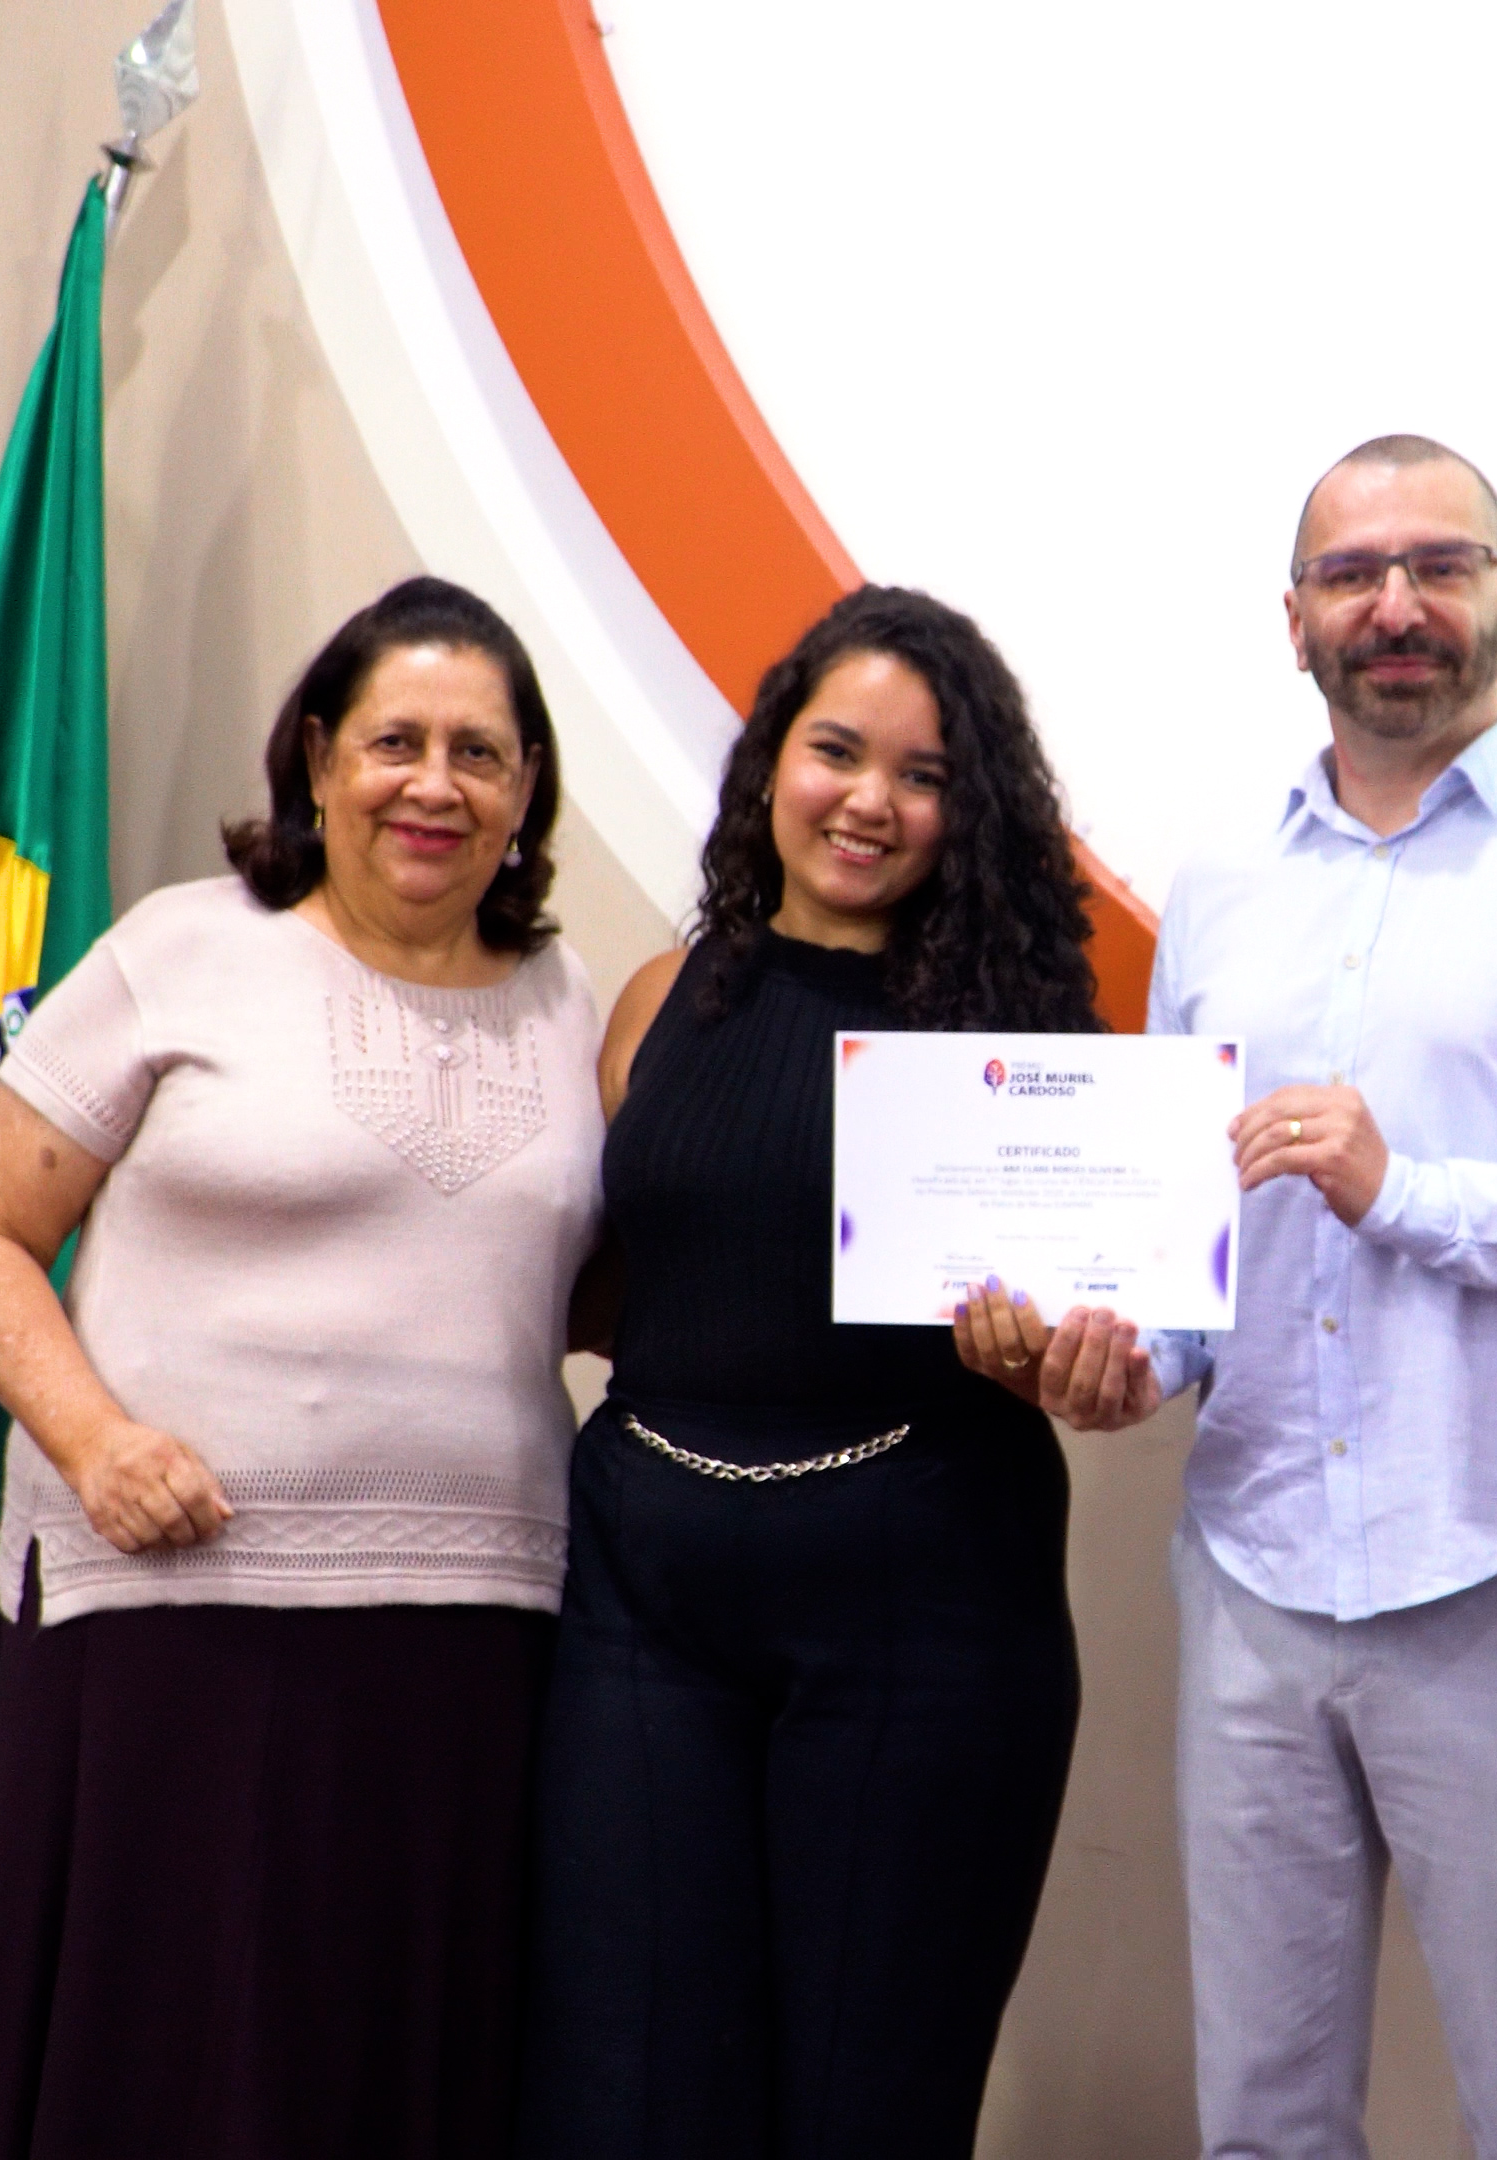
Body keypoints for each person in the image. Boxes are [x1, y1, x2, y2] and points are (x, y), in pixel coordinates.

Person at [1009, 437, 1497, 2159]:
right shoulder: (1222, 882)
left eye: (1439, 565)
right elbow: (1195, 1218)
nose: (1396, 605)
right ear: (1295, 621)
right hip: (1255, 1567)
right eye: (1352, 575)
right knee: (1262, 2122)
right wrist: (1137, 1355)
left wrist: (1402, 1191)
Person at [0, 575, 599, 2158]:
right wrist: (95, 1442)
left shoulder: (571, 1007)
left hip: (469, 1657)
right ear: (320, 758)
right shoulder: (180, 951)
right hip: (171, 1613)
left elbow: (605, 1289)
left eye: (479, 753)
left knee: (384, 2086)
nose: (434, 784)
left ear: (528, 791)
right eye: (396, 742)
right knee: (155, 2078)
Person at [515, 585, 1102, 2159]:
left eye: (924, 776)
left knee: (866, 2108)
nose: (870, 801)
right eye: (837, 751)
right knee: (624, 2095)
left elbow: (1093, 1344)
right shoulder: (660, 996)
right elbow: (619, 1278)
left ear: (970, 814)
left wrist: (1057, 1353)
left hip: (927, 1623)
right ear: (773, 759)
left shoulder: (1015, 1053)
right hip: (640, 1606)